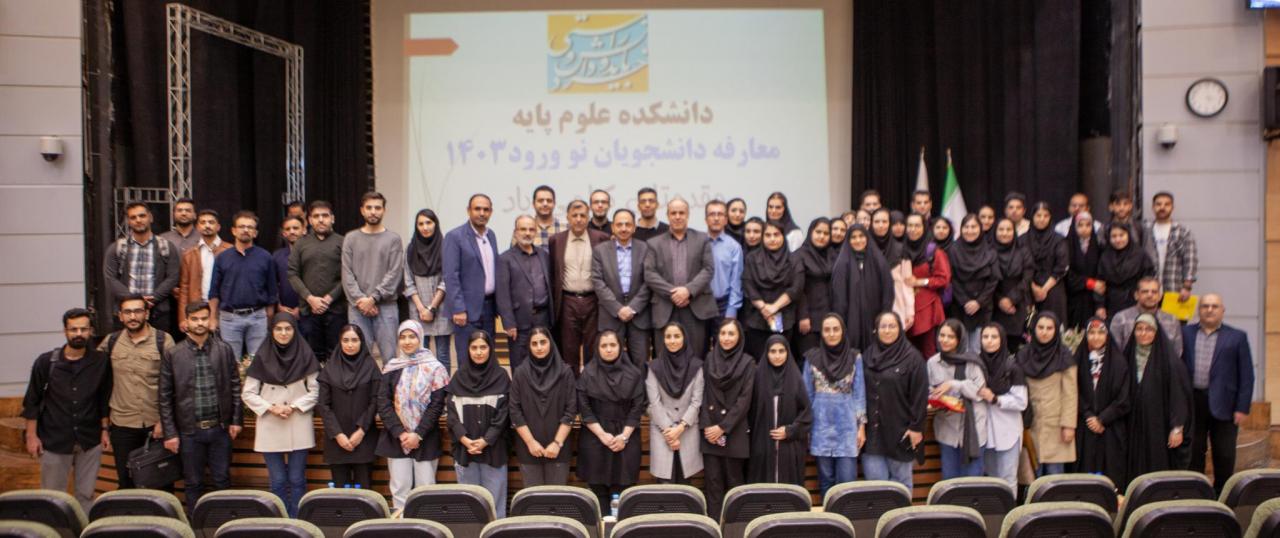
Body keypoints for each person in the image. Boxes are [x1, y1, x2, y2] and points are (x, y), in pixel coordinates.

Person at [22, 308, 112, 512]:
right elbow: (32, 401)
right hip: (54, 438)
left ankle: (83, 528)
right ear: (65, 331)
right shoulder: (46, 362)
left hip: (89, 439)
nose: (79, 334)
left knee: (86, 495)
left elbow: (103, 398)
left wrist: (105, 430)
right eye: (74, 329)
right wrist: (31, 436)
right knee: (53, 497)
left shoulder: (100, 361)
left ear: (90, 331)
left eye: (83, 329)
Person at [159, 302, 242, 511]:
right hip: (189, 431)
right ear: (186, 321)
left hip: (220, 429)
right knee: (193, 483)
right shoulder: (173, 353)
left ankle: (223, 523)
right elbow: (164, 396)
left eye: (204, 318)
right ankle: (196, 524)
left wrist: (236, 420)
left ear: (210, 320)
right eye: (194, 319)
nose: (200, 323)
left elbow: (235, 386)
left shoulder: (224, 349)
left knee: (222, 479)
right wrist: (170, 433)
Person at [241, 313, 320, 518]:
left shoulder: (305, 354)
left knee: (297, 479)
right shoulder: (262, 356)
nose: (283, 333)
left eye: (288, 328)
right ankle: (280, 521)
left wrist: (294, 406)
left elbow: (316, 391)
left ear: (295, 330)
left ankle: (297, 521)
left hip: (298, 421)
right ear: (272, 331)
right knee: (277, 480)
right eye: (278, 329)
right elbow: (248, 393)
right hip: (271, 422)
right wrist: (270, 407)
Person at [101, 295, 176, 490]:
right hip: (122, 423)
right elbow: (97, 378)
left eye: (137, 311)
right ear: (120, 316)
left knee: (161, 483)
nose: (133, 316)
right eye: (127, 312)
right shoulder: (111, 341)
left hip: (155, 424)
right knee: (126, 483)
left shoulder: (163, 340)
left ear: (147, 314)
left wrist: (164, 421)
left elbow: (175, 384)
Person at [1183, 294, 1254, 493]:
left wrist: (1242, 407)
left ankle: (1222, 495)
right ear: (1199, 310)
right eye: (1205, 306)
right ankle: (1196, 492)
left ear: (1223, 310)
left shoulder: (1237, 337)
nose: (1209, 310)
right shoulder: (1186, 333)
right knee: (1194, 451)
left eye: (1214, 306)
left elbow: (1247, 375)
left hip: (1226, 404)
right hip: (1193, 402)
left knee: (1224, 453)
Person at [377, 321, 449, 509]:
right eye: (403, 337)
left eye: (412, 336)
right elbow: (383, 402)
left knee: (425, 491)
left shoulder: (436, 368)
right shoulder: (391, 367)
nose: (407, 341)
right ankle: (401, 525)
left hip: (425, 437)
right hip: (396, 439)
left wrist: (418, 434)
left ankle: (425, 525)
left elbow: (437, 405)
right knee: (400, 489)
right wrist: (401, 433)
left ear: (420, 338)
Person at [577, 331, 646, 513]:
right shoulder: (588, 374)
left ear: (621, 347)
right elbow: (584, 408)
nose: (608, 349)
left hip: (626, 439)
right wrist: (602, 435)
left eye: (613, 345)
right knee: (598, 495)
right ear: (597, 348)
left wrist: (623, 437)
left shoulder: (634, 374)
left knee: (623, 497)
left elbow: (637, 408)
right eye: (604, 346)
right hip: (595, 438)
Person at [446, 330, 511, 518]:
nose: (479, 352)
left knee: (495, 506)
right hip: (465, 451)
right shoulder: (459, 377)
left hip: (493, 450)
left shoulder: (501, 376)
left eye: (483, 347)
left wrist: (486, 440)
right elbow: (451, 414)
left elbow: (504, 413)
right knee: (469, 507)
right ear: (468, 350)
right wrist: (465, 439)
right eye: (474, 348)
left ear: (490, 349)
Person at [861, 312, 928, 489]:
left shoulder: (913, 358)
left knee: (901, 489)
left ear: (900, 329)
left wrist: (916, 428)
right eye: (883, 326)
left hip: (901, 435)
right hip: (873, 436)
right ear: (876, 330)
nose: (887, 330)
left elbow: (920, 396)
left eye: (892, 326)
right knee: (877, 489)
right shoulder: (867, 356)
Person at [802, 314, 866, 496]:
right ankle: (829, 515)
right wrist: (806, 427)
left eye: (836, 329)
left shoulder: (854, 357)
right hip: (820, 427)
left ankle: (846, 516)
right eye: (827, 330)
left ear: (843, 331)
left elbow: (859, 394)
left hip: (847, 428)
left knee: (847, 484)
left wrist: (861, 427)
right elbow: (806, 396)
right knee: (826, 482)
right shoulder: (812, 358)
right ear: (821, 333)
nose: (831, 334)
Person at [644, 198, 717, 356]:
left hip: (694, 306)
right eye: (673, 213)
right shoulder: (654, 243)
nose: (677, 217)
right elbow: (649, 274)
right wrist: (674, 293)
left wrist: (688, 291)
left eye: (681, 213)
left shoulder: (702, 239)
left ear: (688, 215)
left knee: (695, 355)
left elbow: (708, 269)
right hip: (665, 307)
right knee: (664, 356)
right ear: (668, 215)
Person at [700, 319, 755, 520]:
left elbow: (744, 400)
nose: (726, 338)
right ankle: (714, 528)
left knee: (734, 485)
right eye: (723, 333)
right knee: (713, 484)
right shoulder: (709, 358)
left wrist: (723, 427)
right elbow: (703, 393)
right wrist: (708, 426)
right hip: (711, 434)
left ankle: (735, 529)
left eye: (731, 334)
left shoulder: (748, 363)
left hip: (734, 431)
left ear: (739, 337)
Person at [1125, 313, 1192, 477]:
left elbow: (1179, 396)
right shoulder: (1126, 357)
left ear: (1156, 332)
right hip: (1132, 427)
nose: (1143, 333)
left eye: (1149, 329)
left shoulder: (1170, 361)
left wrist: (1177, 428)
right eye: (1139, 329)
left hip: (1159, 428)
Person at [317, 324, 381, 491]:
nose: (350, 344)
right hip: (337, 440)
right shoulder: (330, 368)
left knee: (365, 492)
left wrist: (361, 431)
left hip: (364, 438)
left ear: (361, 342)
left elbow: (375, 400)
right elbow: (323, 404)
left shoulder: (371, 366)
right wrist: (338, 434)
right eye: (345, 340)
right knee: (340, 494)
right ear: (340, 342)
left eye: (354, 340)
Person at [510, 327, 577, 486]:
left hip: (558, 449)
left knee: (556, 497)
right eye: (534, 343)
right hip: (529, 449)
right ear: (529, 347)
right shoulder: (520, 373)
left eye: (543, 342)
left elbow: (571, 410)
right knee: (533, 498)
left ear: (550, 344)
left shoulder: (565, 373)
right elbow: (515, 411)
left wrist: (557, 443)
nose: (539, 347)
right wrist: (530, 442)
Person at [342, 192, 404, 361]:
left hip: (386, 306)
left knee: (390, 358)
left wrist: (373, 298)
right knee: (359, 357)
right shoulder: (350, 238)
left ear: (384, 211)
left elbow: (394, 273)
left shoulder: (393, 239)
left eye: (377, 208)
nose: (373, 212)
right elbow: (347, 273)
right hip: (358, 307)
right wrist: (362, 300)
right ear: (362, 210)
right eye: (369, 207)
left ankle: (389, 382)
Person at [550, 200, 610, 371]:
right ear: (568, 217)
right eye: (574, 215)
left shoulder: (601, 238)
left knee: (593, 347)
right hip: (567, 301)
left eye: (582, 215)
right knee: (569, 349)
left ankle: (590, 384)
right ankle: (572, 385)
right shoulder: (556, 240)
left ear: (588, 217)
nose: (578, 219)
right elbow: (553, 272)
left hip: (593, 301)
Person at [208, 211, 278, 359]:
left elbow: (272, 291)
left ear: (255, 233)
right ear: (234, 231)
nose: (245, 230)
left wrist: (269, 319)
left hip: (258, 317)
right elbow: (214, 292)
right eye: (241, 226)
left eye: (250, 227)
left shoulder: (266, 257)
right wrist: (213, 318)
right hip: (229, 318)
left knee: (258, 361)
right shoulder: (222, 258)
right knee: (231, 362)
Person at [104, 202, 181, 333]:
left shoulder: (166, 246)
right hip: (127, 314)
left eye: (142, 216)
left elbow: (173, 276)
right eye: (133, 217)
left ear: (150, 217)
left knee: (159, 346)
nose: (138, 220)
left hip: (158, 313)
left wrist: (154, 297)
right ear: (128, 221)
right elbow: (110, 278)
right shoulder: (117, 247)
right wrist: (134, 300)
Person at [1016, 312, 1078, 476]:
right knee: (1032, 476)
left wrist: (1069, 425)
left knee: (1054, 478)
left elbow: (1070, 394)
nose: (1044, 332)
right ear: (1034, 329)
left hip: (1056, 426)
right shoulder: (1024, 355)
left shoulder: (1064, 356)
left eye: (1049, 328)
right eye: (1041, 327)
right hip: (1030, 424)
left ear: (1056, 330)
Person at [1074, 317, 1131, 489]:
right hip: (1085, 427)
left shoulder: (1119, 362)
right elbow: (1073, 392)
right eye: (1091, 333)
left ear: (1107, 335)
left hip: (1111, 428)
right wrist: (1089, 415)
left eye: (1100, 333)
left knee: (1110, 475)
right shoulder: (1078, 360)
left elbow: (1123, 398)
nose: (1096, 337)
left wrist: (1102, 419)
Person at [927, 319, 988, 479]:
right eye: (942, 335)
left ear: (959, 339)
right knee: (950, 480)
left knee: (972, 481)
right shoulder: (933, 363)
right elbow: (929, 390)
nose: (945, 340)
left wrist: (955, 384)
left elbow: (980, 392)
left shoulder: (972, 361)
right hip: (948, 429)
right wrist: (935, 398)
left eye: (951, 337)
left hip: (974, 429)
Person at [645, 323, 705, 484]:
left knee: (686, 487)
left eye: (677, 336)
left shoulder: (696, 366)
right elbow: (654, 403)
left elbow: (696, 402)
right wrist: (670, 432)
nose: (672, 341)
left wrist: (680, 428)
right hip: (662, 432)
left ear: (684, 338)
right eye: (668, 337)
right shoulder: (654, 367)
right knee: (664, 486)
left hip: (687, 431)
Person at [748, 336, 812, 486]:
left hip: (790, 448)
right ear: (766, 353)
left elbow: (806, 413)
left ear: (787, 352)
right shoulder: (758, 377)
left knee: (788, 489)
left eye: (781, 351)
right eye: (773, 351)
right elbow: (749, 410)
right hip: (762, 445)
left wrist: (790, 431)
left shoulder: (795, 378)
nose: (777, 356)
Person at [443, 194, 500, 362]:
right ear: (468, 210)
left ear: (491, 212)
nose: (482, 213)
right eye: (477, 209)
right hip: (466, 310)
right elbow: (451, 275)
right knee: (467, 358)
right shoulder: (454, 236)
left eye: (486, 209)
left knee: (487, 358)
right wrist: (458, 309)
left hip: (489, 307)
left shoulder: (491, 235)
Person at [592, 209, 653, 366]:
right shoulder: (600, 250)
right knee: (610, 362)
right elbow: (598, 281)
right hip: (610, 314)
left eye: (628, 224)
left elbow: (649, 281)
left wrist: (632, 308)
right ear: (613, 227)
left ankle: (640, 385)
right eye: (619, 225)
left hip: (639, 315)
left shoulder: (646, 248)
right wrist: (618, 308)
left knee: (640, 362)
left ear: (634, 227)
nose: (624, 228)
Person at [288, 200, 347, 357]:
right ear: (309, 220)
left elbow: (349, 275)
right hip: (309, 311)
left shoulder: (343, 242)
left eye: (325, 216)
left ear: (332, 218)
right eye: (316, 216)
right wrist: (310, 298)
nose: (321, 220)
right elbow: (292, 274)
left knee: (336, 356)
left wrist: (329, 298)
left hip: (336, 310)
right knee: (311, 356)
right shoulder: (300, 244)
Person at [497, 215, 556, 370]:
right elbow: (502, 295)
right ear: (515, 232)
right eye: (523, 229)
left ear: (535, 232)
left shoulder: (544, 255)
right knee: (519, 365)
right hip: (519, 323)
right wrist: (509, 323)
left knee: (544, 363)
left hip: (544, 319)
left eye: (531, 229)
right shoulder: (505, 258)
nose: (527, 233)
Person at [974, 323, 1028, 487]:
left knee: (1008, 478)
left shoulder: (1012, 367)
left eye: (994, 337)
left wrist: (996, 399)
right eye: (985, 337)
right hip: (985, 432)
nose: (989, 341)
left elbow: (1021, 401)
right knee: (990, 479)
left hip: (1008, 431)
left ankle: (1009, 505)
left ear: (1002, 339)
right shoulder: (976, 366)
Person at [742, 221, 802, 358]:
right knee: (759, 360)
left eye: (776, 234)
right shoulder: (752, 258)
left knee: (780, 359)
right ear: (762, 237)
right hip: (757, 318)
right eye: (768, 235)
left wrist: (774, 307)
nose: (772, 239)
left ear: (783, 236)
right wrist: (764, 308)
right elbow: (748, 284)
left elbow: (796, 288)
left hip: (784, 317)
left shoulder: (794, 259)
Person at [831, 224, 894, 351]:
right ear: (848, 240)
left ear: (867, 238)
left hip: (875, 317)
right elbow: (838, 298)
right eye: (853, 237)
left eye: (861, 236)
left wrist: (883, 318)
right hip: (850, 321)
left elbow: (888, 290)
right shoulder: (842, 263)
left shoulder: (878, 260)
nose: (858, 240)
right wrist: (842, 324)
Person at [404, 209, 453, 370]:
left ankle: (443, 387)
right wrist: (421, 308)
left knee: (443, 355)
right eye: (421, 224)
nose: (425, 227)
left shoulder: (446, 247)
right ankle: (422, 386)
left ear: (435, 224)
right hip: (418, 309)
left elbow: (447, 280)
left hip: (441, 307)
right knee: (420, 356)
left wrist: (432, 307)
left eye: (429, 223)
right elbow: (408, 281)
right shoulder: (410, 249)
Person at [902, 213, 951, 357]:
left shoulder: (933, 251)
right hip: (906, 308)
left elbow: (944, 280)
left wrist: (920, 282)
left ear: (924, 228)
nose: (913, 229)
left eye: (917, 225)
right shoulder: (900, 249)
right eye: (910, 225)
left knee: (928, 352)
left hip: (927, 309)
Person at [946, 214, 999, 347]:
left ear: (980, 228)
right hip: (959, 306)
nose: (970, 231)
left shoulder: (990, 250)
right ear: (961, 229)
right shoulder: (953, 250)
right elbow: (951, 278)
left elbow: (993, 279)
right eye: (966, 227)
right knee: (960, 348)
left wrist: (978, 302)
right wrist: (965, 301)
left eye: (974, 227)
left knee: (979, 348)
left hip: (983, 307)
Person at [178, 209, 230, 332]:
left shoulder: (229, 251)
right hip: (197, 308)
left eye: (211, 222)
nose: (207, 225)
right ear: (197, 227)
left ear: (218, 227)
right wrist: (182, 317)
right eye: (203, 222)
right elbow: (184, 288)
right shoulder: (189, 254)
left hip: (224, 308)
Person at [1144, 192, 1199, 303]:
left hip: (1174, 288)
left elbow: (1190, 260)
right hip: (1149, 290)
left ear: (1172, 207)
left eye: (1166, 204)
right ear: (1153, 207)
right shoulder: (1145, 230)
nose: (1162, 207)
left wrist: (1187, 287)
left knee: (1172, 315)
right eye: (1158, 204)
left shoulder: (1183, 231)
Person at [1110, 277, 1184, 357]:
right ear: (1136, 295)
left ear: (1160, 296)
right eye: (1145, 292)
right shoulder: (1121, 318)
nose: (1150, 295)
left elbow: (1177, 352)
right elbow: (1114, 352)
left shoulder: (1172, 320)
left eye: (1154, 292)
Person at [793, 218, 834, 359]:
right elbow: (798, 289)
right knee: (811, 360)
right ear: (811, 232)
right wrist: (803, 316)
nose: (822, 236)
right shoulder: (799, 255)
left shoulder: (832, 254)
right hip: (808, 318)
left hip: (829, 316)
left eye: (826, 233)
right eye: (818, 232)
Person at [991, 219, 1033, 352]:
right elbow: (986, 281)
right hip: (994, 305)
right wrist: (1000, 300)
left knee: (1017, 348)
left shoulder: (1023, 251)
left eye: (1008, 229)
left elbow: (1028, 277)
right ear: (995, 231)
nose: (1005, 233)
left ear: (1014, 232)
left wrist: (1011, 299)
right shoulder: (988, 252)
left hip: (1018, 304)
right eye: (1001, 229)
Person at [1097, 223, 1154, 317]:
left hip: (1135, 302)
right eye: (1114, 236)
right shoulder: (1105, 257)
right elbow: (1100, 284)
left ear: (1128, 235)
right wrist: (1100, 306)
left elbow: (1148, 280)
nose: (1118, 239)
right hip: (1111, 304)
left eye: (1121, 235)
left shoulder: (1140, 255)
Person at [1024, 202, 1069, 320]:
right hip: (1029, 288)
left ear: (1050, 217)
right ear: (1032, 217)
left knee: (1053, 323)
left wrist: (1044, 289)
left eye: (1046, 215)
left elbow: (1062, 266)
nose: (1042, 219)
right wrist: (1034, 287)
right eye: (1038, 215)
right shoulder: (1022, 239)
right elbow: (1021, 266)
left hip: (1053, 288)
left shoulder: (1059, 239)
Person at [871, 209, 914, 329]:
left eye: (884, 221)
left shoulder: (900, 249)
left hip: (896, 303)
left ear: (890, 224)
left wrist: (910, 311)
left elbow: (907, 283)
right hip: (869, 304)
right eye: (877, 222)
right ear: (871, 224)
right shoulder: (865, 249)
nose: (881, 225)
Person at [705, 201, 744, 325]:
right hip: (699, 304)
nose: (716, 218)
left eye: (720, 214)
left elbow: (736, 282)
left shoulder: (734, 247)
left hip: (723, 305)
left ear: (726, 220)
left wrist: (731, 311)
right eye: (712, 214)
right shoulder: (697, 243)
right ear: (706, 219)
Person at [1065, 212, 1105, 329]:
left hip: (1093, 299)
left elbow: (1101, 272)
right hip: (1073, 298)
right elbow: (1066, 273)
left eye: (1088, 225)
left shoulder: (1098, 246)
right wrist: (1090, 283)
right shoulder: (1067, 245)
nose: (1084, 229)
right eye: (1080, 225)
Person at [273, 216, 305, 319]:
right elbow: (272, 284)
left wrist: (301, 308)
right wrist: (278, 305)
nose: (292, 231)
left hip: (309, 311)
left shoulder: (313, 254)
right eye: (288, 229)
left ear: (304, 230)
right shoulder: (277, 256)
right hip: (284, 311)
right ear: (283, 233)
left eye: (295, 228)